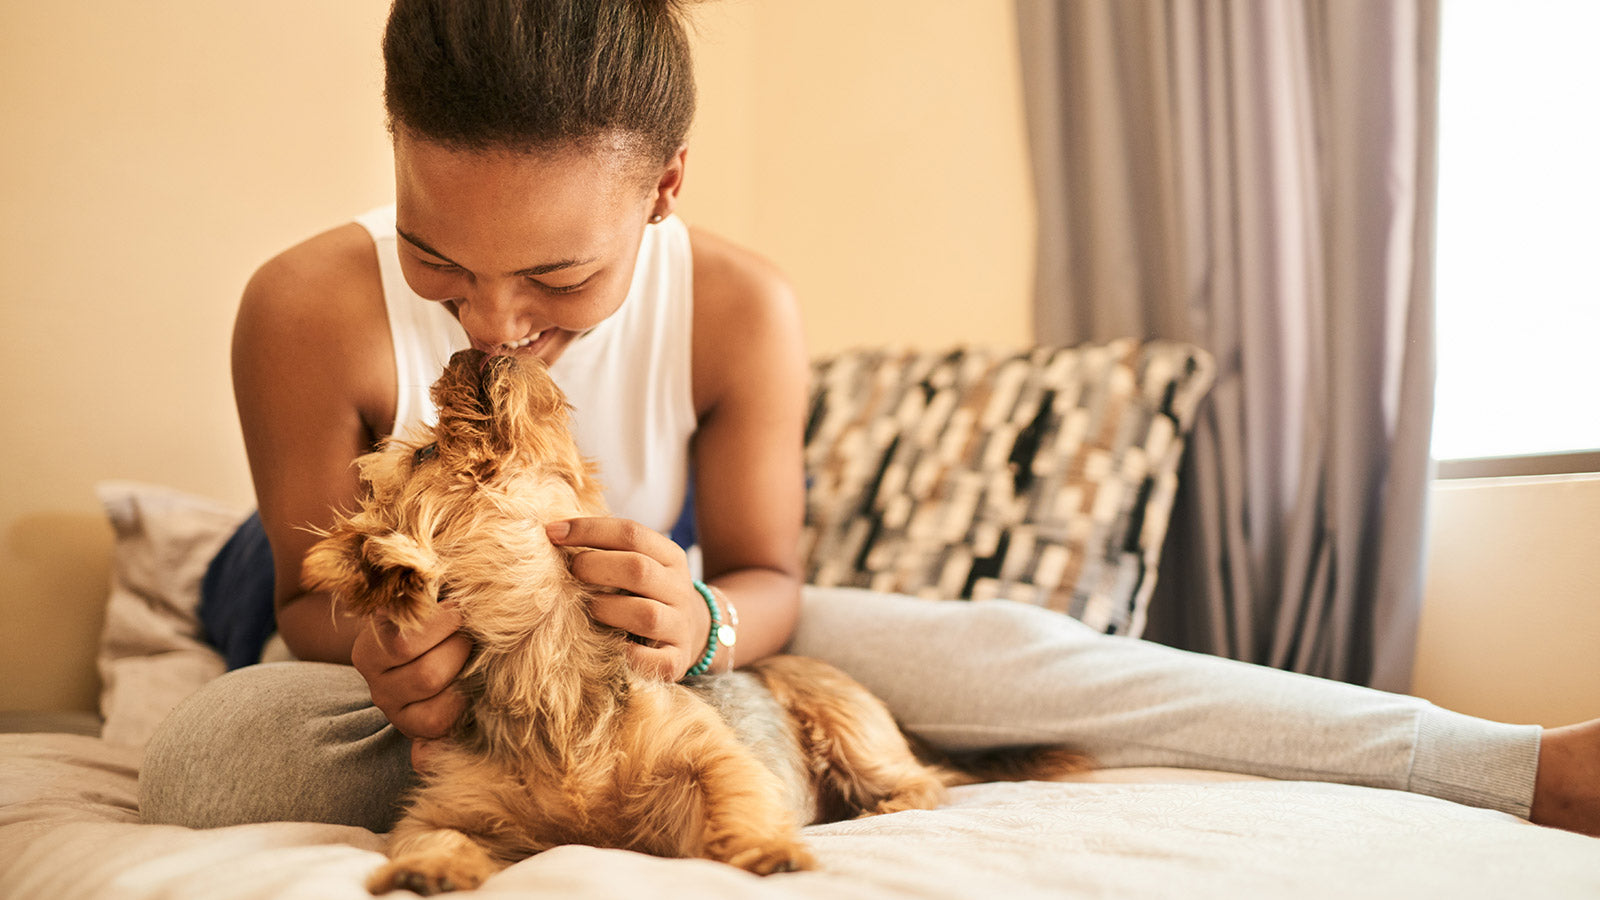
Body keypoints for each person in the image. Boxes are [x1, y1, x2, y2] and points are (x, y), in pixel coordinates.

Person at [138, 0, 1600, 839]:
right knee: (205, 757)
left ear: (664, 190)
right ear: (395, 162)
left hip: (651, 613)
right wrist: (393, 652)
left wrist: (703, 629)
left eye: (560, 275)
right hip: (380, 642)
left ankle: (1517, 764)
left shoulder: (740, 310)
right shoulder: (304, 306)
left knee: (984, 646)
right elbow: (308, 613)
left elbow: (770, 578)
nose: (495, 323)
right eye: (437, 257)